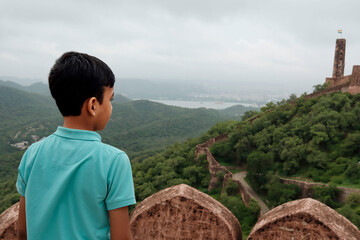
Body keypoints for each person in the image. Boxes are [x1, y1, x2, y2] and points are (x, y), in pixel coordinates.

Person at [16, 52, 136, 240]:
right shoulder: (114, 161)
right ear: (93, 105)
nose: (111, 107)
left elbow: (22, 231)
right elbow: (121, 237)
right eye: (110, 100)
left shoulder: (32, 153)